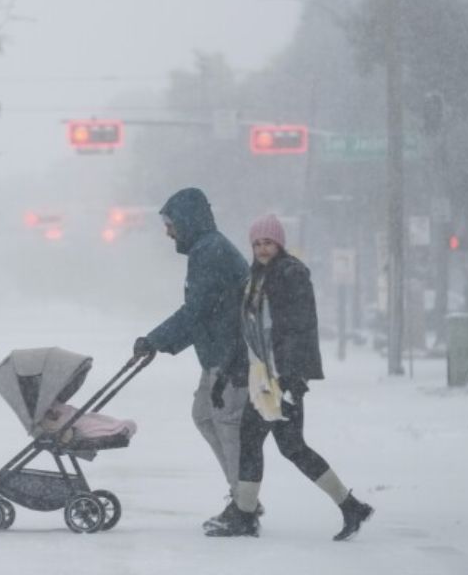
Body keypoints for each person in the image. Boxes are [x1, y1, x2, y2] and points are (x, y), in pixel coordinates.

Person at [205, 214, 374, 540]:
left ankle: (244, 515)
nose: (262, 248)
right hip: (264, 377)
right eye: (256, 243)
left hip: (281, 378)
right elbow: (248, 334)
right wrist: (225, 377)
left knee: (255, 441)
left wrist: (293, 378)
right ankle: (350, 506)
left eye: (267, 242)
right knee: (290, 446)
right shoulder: (257, 279)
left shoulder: (290, 275)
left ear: (279, 243)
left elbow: (299, 329)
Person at [132, 188, 251, 531]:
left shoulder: (210, 252)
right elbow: (202, 314)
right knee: (204, 415)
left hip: (231, 354)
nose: (167, 231)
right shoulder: (206, 249)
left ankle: (244, 506)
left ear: (186, 221)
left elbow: (196, 311)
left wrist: (155, 340)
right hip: (218, 352)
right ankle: (242, 497)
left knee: (226, 422)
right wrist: (159, 344)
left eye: (170, 223)